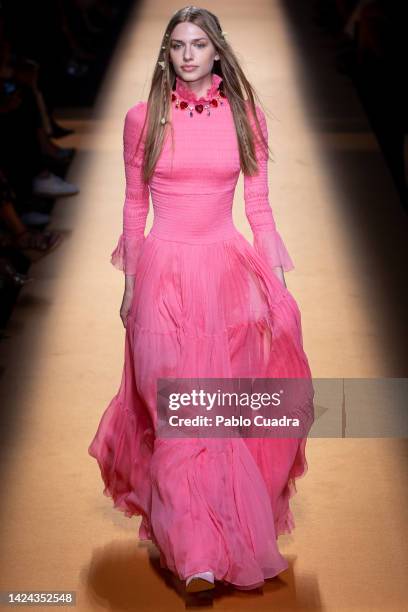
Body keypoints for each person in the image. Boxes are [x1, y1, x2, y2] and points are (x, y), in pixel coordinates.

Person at [88, 6, 314, 595]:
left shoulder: (247, 116)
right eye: (178, 46)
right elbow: (135, 206)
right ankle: (194, 547)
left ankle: (204, 546)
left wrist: (277, 285)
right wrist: (131, 285)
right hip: (163, 272)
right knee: (174, 416)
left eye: (199, 45)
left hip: (225, 277)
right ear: (166, 55)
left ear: (217, 52)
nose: (188, 55)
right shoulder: (144, 119)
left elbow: (259, 208)